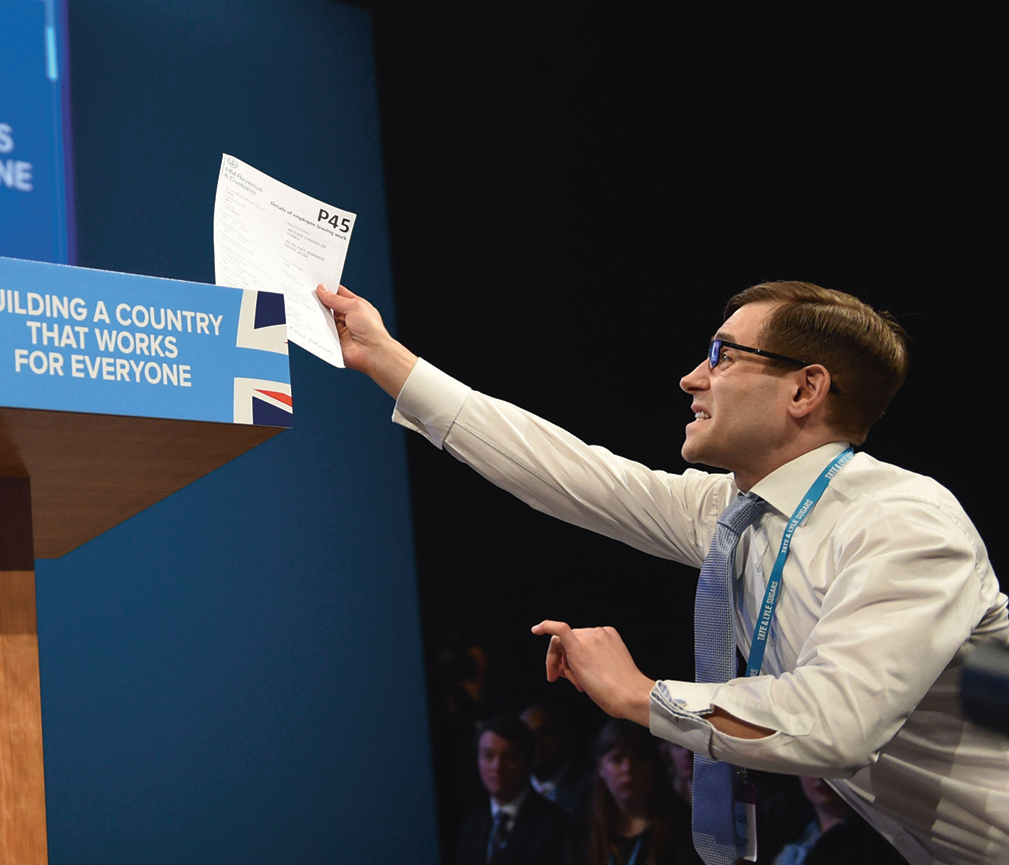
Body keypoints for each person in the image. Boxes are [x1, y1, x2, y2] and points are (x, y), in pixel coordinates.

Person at [314, 280, 1009, 864]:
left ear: (806, 390)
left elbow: (836, 724)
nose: (693, 377)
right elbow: (572, 473)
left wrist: (642, 696)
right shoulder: (738, 512)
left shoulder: (902, 521)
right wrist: (386, 359)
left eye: (723, 355)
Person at [456, 715, 574, 865]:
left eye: (509, 757)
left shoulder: (557, 824)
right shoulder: (471, 829)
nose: (497, 766)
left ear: (529, 763)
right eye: (488, 756)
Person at [582, 721, 695, 865]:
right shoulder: (586, 833)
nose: (627, 768)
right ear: (600, 768)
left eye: (638, 758)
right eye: (617, 759)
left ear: (653, 766)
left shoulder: (683, 828)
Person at [772, 778, 907, 865]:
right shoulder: (786, 829)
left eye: (829, 768)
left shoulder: (880, 841)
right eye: (812, 767)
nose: (820, 777)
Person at [521, 702, 595, 816]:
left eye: (544, 733)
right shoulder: (513, 788)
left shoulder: (591, 789)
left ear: (563, 734)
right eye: (527, 736)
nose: (535, 743)